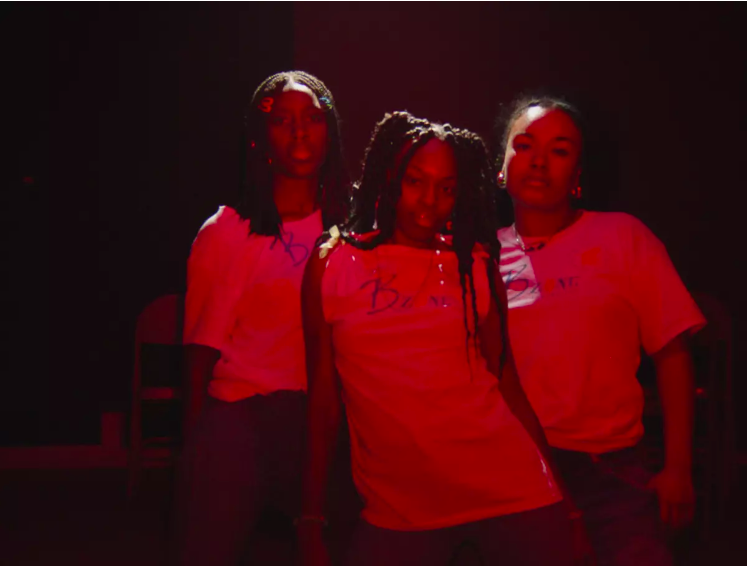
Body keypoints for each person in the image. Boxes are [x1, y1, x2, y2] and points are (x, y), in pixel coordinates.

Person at [298, 111, 580, 566]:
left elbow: (505, 383)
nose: (429, 201)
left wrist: (567, 504)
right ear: (389, 175)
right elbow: (324, 400)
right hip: (399, 512)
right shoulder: (333, 263)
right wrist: (310, 519)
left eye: (447, 188)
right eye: (415, 181)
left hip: (512, 491)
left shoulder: (474, 264)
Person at [494, 96, 706, 566]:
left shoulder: (622, 237)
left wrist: (678, 468)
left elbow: (673, 352)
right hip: (514, 468)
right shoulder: (480, 255)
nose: (539, 161)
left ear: (579, 174)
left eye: (560, 150)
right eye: (525, 145)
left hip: (608, 465)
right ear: (501, 168)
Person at [172, 71, 349, 566]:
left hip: (325, 417)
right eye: (284, 121)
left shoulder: (353, 229)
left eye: (312, 118)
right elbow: (200, 352)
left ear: (330, 131)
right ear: (260, 137)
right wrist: (193, 458)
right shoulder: (227, 231)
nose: (299, 132)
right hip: (241, 413)